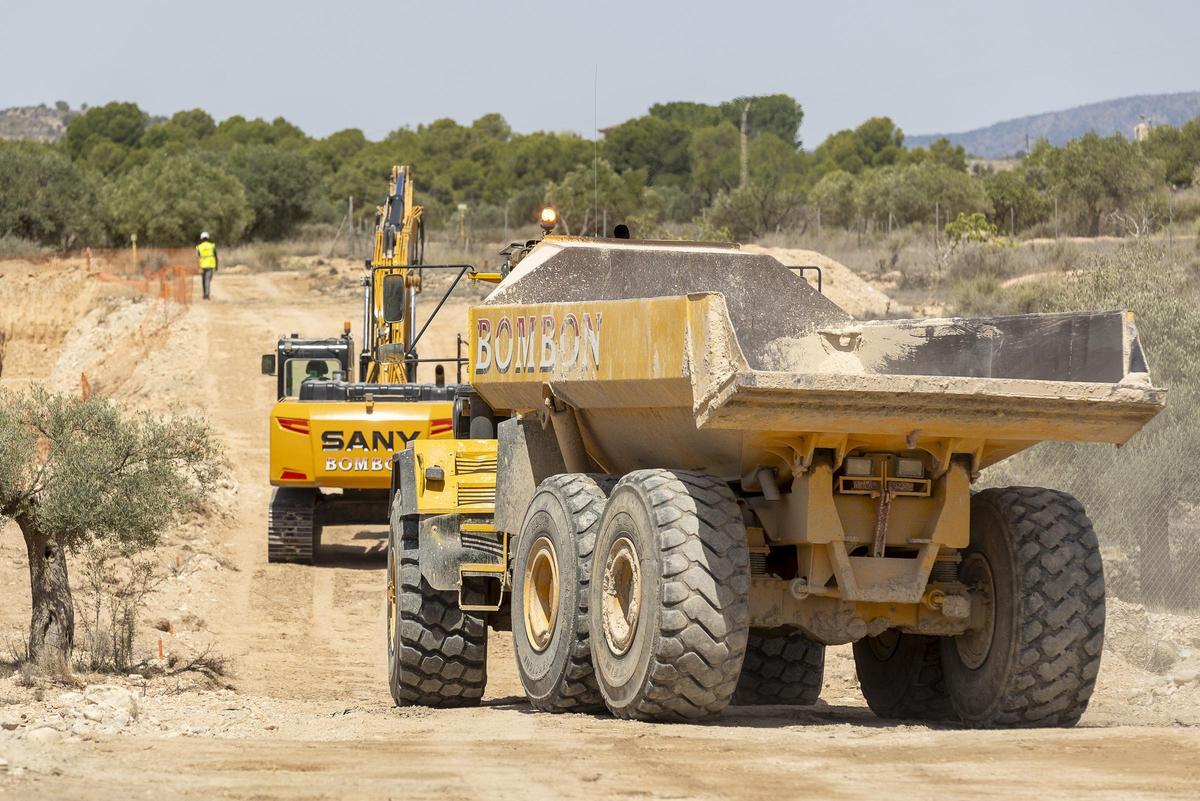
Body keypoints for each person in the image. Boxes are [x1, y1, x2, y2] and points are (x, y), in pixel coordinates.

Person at [196, 232, 218, 300]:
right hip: (210, 264)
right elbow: (215, 256)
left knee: (204, 280)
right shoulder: (212, 245)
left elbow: (197, 257)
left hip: (202, 265)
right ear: (208, 238)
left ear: (201, 238)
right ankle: (206, 295)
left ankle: (205, 294)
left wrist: (198, 267)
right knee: (208, 280)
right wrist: (217, 265)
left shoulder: (198, 247)